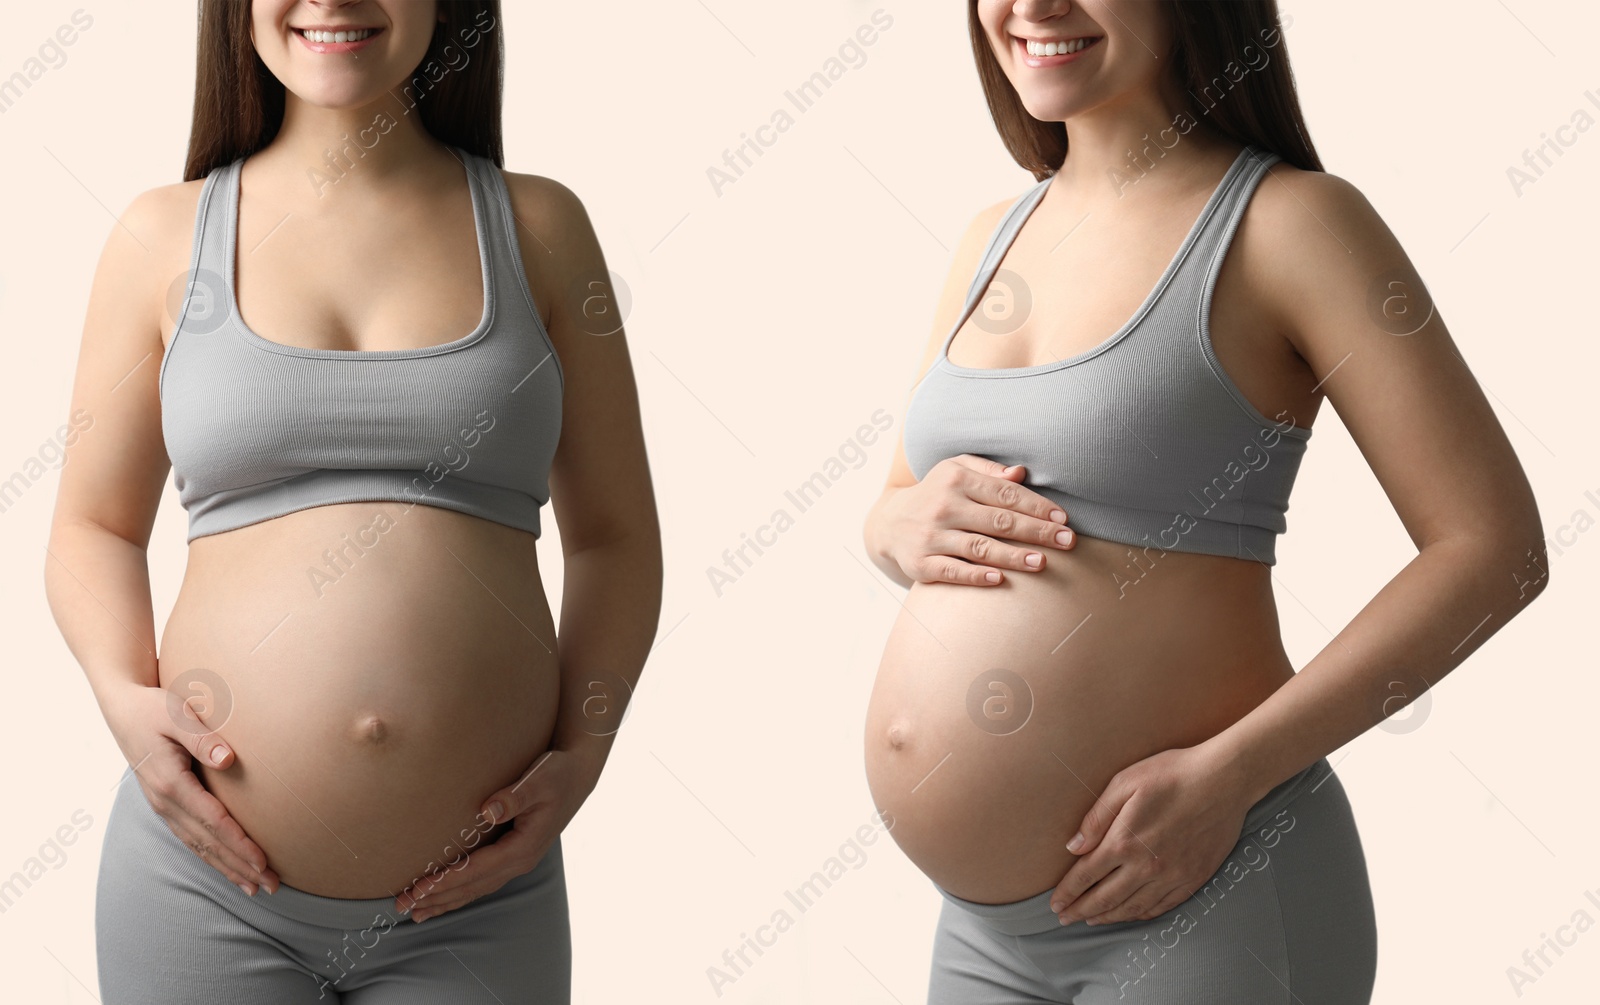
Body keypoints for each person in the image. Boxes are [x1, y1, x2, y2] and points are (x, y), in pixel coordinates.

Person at [860, 2, 1546, 1002]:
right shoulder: (990, 238)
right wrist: (890, 523)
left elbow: (1492, 549)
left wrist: (1230, 776)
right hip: (981, 937)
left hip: (1209, 898)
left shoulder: (1292, 223)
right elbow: (898, 504)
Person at [43, 2, 660, 1001]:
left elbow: (616, 539)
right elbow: (92, 527)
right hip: (202, 889)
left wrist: (586, 752)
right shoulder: (161, 234)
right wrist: (124, 701)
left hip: (477, 903)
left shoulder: (542, 228)